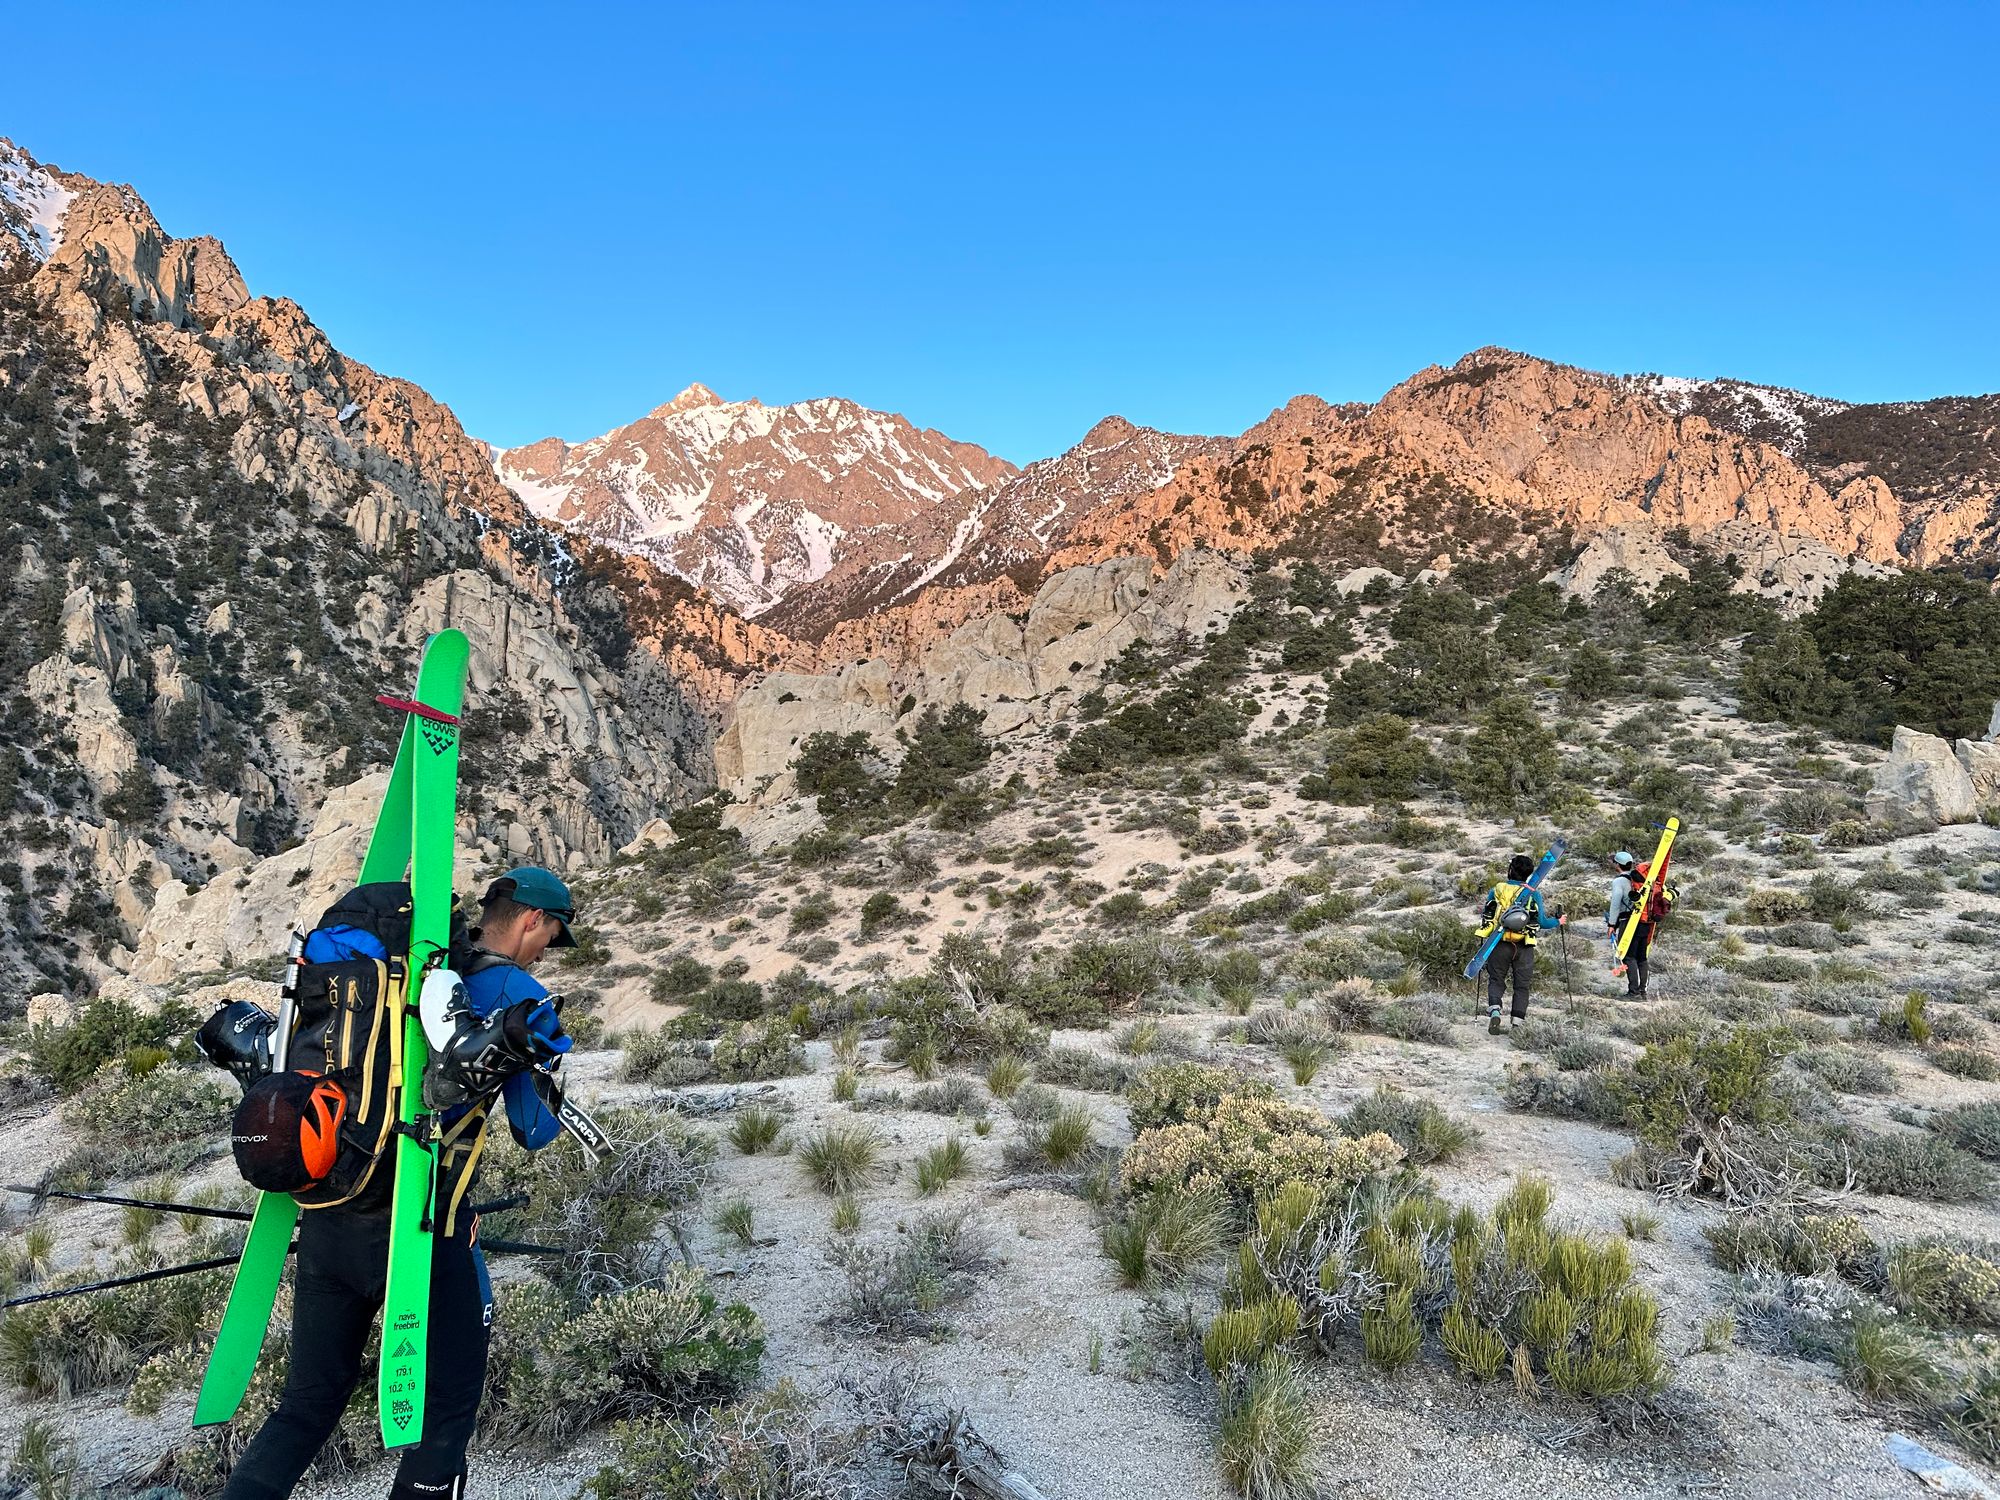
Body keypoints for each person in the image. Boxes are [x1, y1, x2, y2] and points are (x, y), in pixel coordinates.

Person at [220, 867, 577, 1500]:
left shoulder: (390, 975)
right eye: (551, 934)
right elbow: (534, 1129)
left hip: (331, 1208)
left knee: (307, 1404)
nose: (547, 947)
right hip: (423, 1229)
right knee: (447, 1409)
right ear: (531, 921)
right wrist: (546, 1067)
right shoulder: (513, 989)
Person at [1476, 853, 1563, 1034]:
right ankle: (1517, 1022)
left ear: (1510, 870)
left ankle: (1494, 1011)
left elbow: (1487, 914)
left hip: (1499, 942)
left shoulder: (1497, 889)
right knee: (1522, 985)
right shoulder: (1533, 894)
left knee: (1496, 979)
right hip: (1524, 945)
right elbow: (1542, 922)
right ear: (1530, 874)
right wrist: (1558, 921)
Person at [1608, 850, 1655, 998]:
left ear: (1617, 865)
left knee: (1629, 956)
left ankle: (1633, 991)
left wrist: (1611, 924)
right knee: (1642, 957)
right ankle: (1643, 992)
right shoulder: (1641, 878)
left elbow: (1615, 905)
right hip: (1644, 920)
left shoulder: (1619, 881)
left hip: (1628, 922)